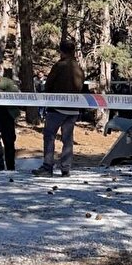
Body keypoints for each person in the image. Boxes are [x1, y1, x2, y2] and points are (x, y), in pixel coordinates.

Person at [33, 39, 85, 178]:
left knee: (49, 136)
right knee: (68, 138)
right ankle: (65, 168)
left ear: (61, 51)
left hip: (57, 107)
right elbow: (80, 87)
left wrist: (48, 97)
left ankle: (47, 166)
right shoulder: (79, 67)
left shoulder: (59, 66)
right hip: (74, 108)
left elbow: (49, 84)